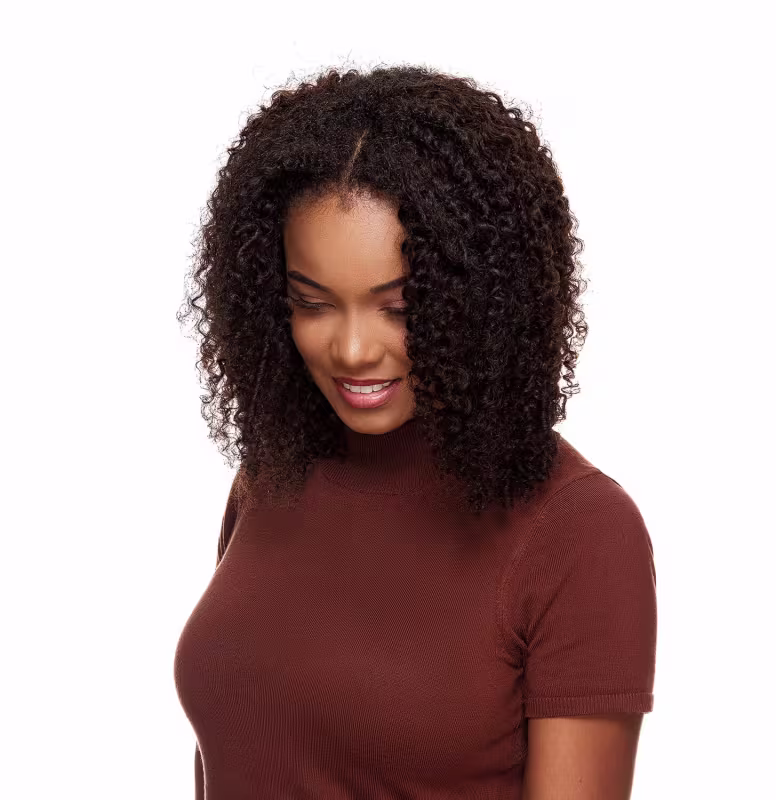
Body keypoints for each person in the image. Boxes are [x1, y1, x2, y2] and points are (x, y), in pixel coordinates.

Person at [173, 64, 657, 800]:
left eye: (400, 308)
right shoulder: (274, 477)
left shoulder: (579, 532)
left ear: (482, 297)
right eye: (313, 303)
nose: (352, 350)